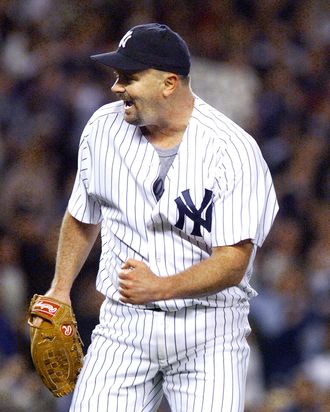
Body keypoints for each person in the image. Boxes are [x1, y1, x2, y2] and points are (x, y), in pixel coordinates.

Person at [39, 23, 278, 412]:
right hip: (124, 324)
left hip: (209, 330)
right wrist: (60, 289)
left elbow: (233, 262)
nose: (117, 87)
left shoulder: (233, 151)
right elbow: (83, 216)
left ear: (169, 83)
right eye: (117, 75)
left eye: (129, 77)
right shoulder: (102, 129)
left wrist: (159, 287)